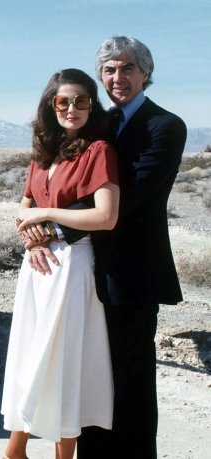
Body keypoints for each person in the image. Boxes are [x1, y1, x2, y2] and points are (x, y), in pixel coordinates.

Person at [73, 36, 187, 459]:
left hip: (134, 275)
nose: (117, 77)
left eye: (127, 68)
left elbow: (132, 194)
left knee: (131, 382)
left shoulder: (165, 126)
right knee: (91, 379)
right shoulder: (94, 124)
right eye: (109, 69)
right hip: (85, 270)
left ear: (145, 73)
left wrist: (53, 223)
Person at [0, 68, 119, 459]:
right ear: (50, 106)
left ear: (92, 105)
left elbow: (106, 217)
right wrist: (29, 238)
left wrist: (45, 214)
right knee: (29, 354)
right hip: (36, 268)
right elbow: (23, 208)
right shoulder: (43, 152)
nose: (72, 108)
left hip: (72, 267)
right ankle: (15, 450)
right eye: (63, 101)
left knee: (63, 359)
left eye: (81, 100)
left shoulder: (98, 150)